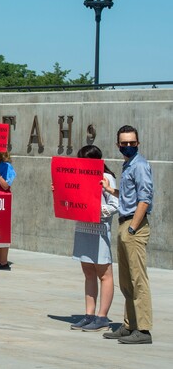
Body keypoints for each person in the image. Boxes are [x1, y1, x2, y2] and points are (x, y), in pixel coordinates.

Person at [101, 125, 154, 344]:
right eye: (124, 143)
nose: (128, 146)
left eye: (132, 143)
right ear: (118, 145)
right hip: (126, 223)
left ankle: (143, 329)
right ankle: (129, 324)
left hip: (134, 225)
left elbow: (145, 199)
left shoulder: (140, 165)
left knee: (137, 279)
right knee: (126, 280)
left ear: (138, 143)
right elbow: (129, 195)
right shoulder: (128, 164)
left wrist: (133, 227)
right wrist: (109, 189)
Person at [67, 145, 118, 332]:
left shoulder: (107, 178)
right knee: (88, 272)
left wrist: (97, 211)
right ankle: (89, 314)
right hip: (83, 228)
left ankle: (102, 317)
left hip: (100, 230)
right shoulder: (78, 176)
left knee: (104, 274)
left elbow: (115, 204)